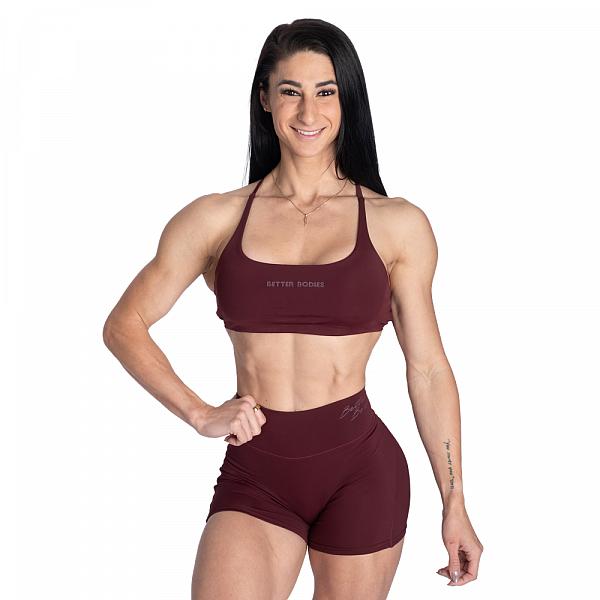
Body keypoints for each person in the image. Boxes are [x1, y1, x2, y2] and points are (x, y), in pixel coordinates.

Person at [103, 18, 483, 600]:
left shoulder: (397, 224)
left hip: (361, 471)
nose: (309, 111)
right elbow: (125, 325)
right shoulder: (215, 218)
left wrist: (454, 501)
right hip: (257, 472)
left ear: (346, 99)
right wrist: (200, 414)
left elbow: (428, 368)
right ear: (265, 98)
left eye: (325, 91)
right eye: (290, 91)